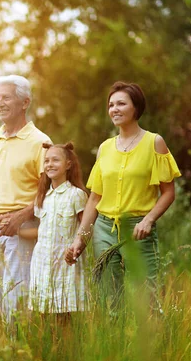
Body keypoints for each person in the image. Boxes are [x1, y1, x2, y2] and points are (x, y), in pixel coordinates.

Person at [66, 81, 181, 312]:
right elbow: (95, 199)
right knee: (110, 299)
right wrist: (81, 238)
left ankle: (152, 345)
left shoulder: (154, 142)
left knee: (147, 297)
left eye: (121, 103)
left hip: (138, 228)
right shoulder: (105, 148)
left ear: (135, 107)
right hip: (104, 229)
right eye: (111, 105)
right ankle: (116, 344)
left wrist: (148, 220)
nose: (114, 109)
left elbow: (168, 192)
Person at [0, 75, 52, 324]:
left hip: (22, 226)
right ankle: (12, 351)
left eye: (6, 97)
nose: (0, 103)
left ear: (25, 102)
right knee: (0, 295)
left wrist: (21, 217)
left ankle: (21, 352)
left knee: (17, 294)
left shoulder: (40, 141)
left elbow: (48, 192)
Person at [26, 142, 89, 320]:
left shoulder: (76, 195)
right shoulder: (42, 197)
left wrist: (77, 249)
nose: (50, 164)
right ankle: (49, 347)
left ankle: (67, 347)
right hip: (42, 260)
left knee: (64, 313)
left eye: (55, 160)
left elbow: (86, 228)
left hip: (65, 262)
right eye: (46, 161)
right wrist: (16, 232)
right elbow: (41, 230)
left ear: (68, 165)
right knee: (43, 312)